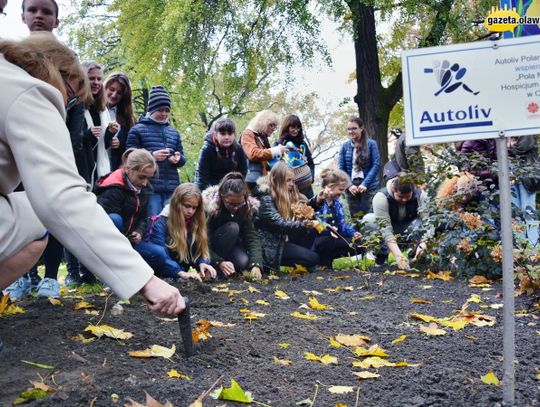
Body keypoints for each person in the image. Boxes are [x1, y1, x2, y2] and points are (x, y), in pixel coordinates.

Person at [0, 34, 184, 346]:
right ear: (57, 73)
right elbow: (62, 200)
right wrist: (146, 280)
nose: (68, 103)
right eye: (72, 95)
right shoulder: (30, 90)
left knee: (32, 218)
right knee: (37, 217)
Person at [127, 85, 186, 216]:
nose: (164, 114)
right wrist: (151, 156)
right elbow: (129, 156)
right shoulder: (137, 129)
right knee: (152, 223)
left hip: (171, 189)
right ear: (152, 109)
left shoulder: (173, 132)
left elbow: (182, 158)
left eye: (167, 110)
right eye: (160, 110)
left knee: (170, 225)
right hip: (149, 188)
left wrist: (178, 159)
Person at [141, 184, 217, 282]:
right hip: (166, 267)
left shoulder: (196, 222)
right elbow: (161, 256)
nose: (190, 211)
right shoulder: (161, 222)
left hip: (184, 266)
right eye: (187, 206)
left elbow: (200, 249)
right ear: (177, 203)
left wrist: (203, 263)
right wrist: (180, 273)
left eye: (194, 208)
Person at [253, 161, 319, 273]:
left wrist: (317, 201)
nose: (292, 184)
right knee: (313, 258)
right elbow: (279, 224)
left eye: (293, 181)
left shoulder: (285, 193)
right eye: (288, 180)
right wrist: (306, 225)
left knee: (312, 233)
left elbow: (301, 206)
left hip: (281, 241)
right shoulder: (265, 197)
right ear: (277, 180)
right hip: (269, 247)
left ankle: (306, 265)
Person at [203, 173, 264, 279]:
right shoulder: (209, 208)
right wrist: (218, 261)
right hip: (209, 249)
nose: (236, 208)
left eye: (239, 204)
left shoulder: (245, 208)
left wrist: (256, 264)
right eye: (231, 204)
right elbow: (203, 242)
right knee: (233, 227)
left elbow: (252, 237)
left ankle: (226, 267)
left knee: (243, 262)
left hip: (231, 247)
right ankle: (215, 269)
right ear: (222, 197)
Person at [363, 176, 429, 270]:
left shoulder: (421, 195)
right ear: (393, 190)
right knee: (369, 220)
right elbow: (385, 229)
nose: (404, 200)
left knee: (419, 223)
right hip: (390, 229)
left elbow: (428, 223)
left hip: (409, 228)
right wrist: (398, 256)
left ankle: (414, 256)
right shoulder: (381, 197)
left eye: (408, 196)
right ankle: (381, 255)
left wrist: (424, 243)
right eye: (401, 196)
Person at [95, 148, 155, 247]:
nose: (145, 183)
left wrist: (138, 232)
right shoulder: (113, 189)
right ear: (128, 169)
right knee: (115, 219)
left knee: (159, 253)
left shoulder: (144, 189)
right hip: (106, 242)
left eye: (148, 178)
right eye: (141, 177)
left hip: (128, 240)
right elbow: (103, 225)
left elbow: (143, 218)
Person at [307, 168, 362, 268]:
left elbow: (343, 225)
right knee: (324, 241)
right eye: (340, 189)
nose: (342, 193)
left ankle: (330, 260)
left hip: (336, 240)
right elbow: (315, 226)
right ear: (330, 187)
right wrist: (328, 232)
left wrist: (353, 234)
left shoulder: (338, 204)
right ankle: (322, 264)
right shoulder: (318, 203)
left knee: (361, 244)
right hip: (321, 242)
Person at [338, 117, 380, 218]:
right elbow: (341, 168)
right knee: (355, 218)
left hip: (368, 186)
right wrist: (349, 185)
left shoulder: (371, 144)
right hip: (351, 187)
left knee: (369, 217)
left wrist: (365, 183)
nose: (351, 131)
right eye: (349, 129)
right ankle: (356, 234)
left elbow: (376, 164)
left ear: (361, 128)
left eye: (354, 128)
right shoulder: (344, 146)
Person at [195, 117, 247, 191]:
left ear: (234, 134)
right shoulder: (207, 150)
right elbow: (201, 178)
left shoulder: (238, 149)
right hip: (211, 190)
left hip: (232, 188)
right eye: (223, 134)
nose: (227, 137)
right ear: (216, 135)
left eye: (230, 133)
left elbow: (242, 173)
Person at [241, 110, 288, 189]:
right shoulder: (248, 134)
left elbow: (267, 159)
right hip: (252, 182)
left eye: (275, 126)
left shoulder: (262, 138)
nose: (273, 129)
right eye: (271, 125)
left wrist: (281, 152)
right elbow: (253, 153)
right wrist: (277, 150)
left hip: (262, 181)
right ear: (262, 123)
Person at [508, 135, 539, 247]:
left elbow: (520, 149)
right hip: (512, 176)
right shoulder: (509, 135)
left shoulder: (526, 133)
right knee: (515, 212)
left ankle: (533, 246)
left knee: (528, 210)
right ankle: (520, 247)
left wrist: (508, 146)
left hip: (527, 177)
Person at [275, 114, 315, 198]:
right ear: (286, 127)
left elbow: (310, 162)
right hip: (289, 189)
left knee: (310, 209)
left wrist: (311, 177)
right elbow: (274, 166)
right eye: (293, 127)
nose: (296, 130)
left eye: (298, 128)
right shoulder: (279, 144)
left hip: (306, 187)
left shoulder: (302, 143)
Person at [104, 72, 136, 171]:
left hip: (114, 169)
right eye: (112, 89)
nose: (114, 95)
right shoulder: (92, 109)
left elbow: (131, 147)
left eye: (119, 93)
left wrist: (120, 144)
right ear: (105, 88)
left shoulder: (127, 118)